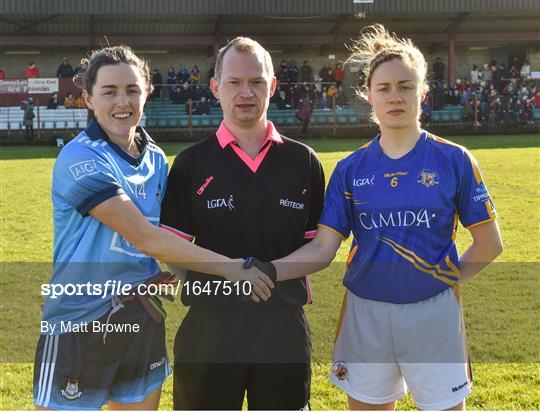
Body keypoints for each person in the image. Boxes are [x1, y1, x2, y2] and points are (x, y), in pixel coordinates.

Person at [268, 24, 503, 411]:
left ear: (423, 93)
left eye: (406, 86)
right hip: (366, 312)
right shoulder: (350, 168)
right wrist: (268, 269)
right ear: (369, 96)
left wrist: (442, 280)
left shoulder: (455, 160)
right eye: (385, 88)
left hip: (434, 313)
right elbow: (325, 246)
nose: (396, 96)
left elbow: (490, 243)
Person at [33, 45, 273, 411]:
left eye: (132, 90)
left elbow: (168, 237)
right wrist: (232, 269)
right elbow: (144, 237)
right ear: (88, 98)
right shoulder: (80, 158)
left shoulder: (156, 159)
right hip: (78, 324)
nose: (122, 102)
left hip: (139, 320)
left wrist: (172, 275)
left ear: (147, 92)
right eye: (109, 92)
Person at [160, 36, 325, 410]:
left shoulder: (304, 161)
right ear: (216, 87)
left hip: (282, 326)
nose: (246, 92)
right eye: (234, 82)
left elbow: (318, 247)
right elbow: (173, 248)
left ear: (273, 86)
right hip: (209, 330)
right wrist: (216, 286)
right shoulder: (190, 163)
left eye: (257, 81)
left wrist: (265, 274)